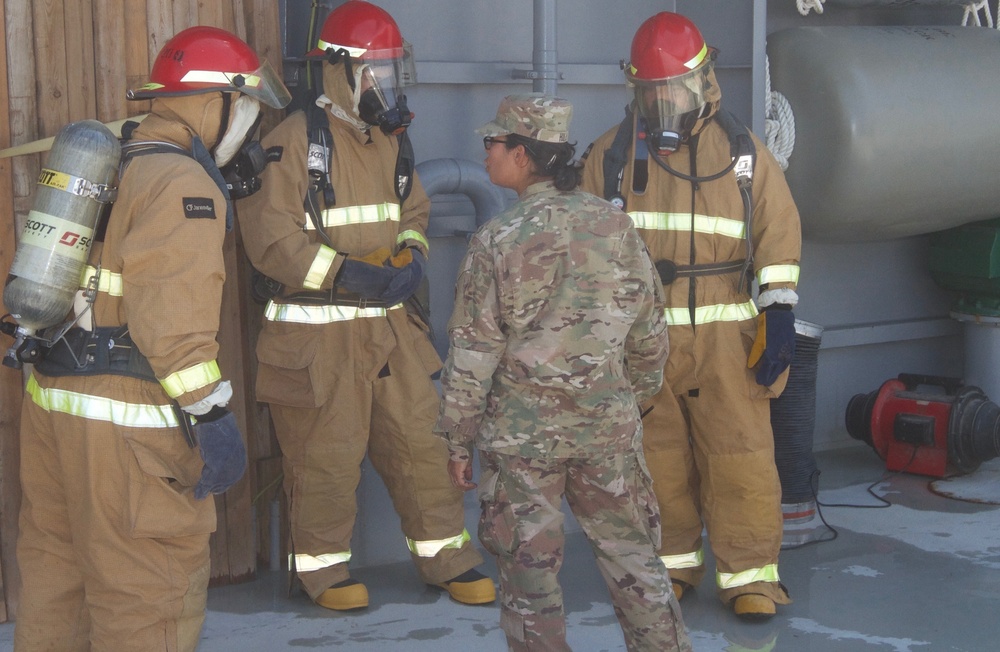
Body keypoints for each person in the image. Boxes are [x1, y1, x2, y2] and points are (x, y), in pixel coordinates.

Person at [11, 26, 291, 651]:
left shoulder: (113, 159)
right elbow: (174, 324)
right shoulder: (181, 182)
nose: (249, 126)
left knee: (58, 582)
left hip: (54, 404)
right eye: (245, 107)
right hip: (131, 426)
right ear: (213, 103)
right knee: (148, 595)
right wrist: (212, 413)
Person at [236, 0, 494, 611]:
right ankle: (322, 574)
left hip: (391, 335)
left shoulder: (390, 142)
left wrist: (411, 257)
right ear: (339, 73)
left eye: (392, 72)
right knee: (324, 462)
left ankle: (448, 560)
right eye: (374, 72)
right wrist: (348, 274)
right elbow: (272, 241)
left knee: (421, 449)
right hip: (318, 343)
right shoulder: (291, 142)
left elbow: (415, 212)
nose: (385, 86)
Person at [436, 93, 693, 652]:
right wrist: (628, 400)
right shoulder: (616, 227)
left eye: (493, 144)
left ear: (523, 155)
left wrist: (458, 441)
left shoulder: (497, 240)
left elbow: (472, 353)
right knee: (638, 568)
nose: (485, 155)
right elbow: (650, 331)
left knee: (530, 581)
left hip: (523, 442)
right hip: (607, 431)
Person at [580, 12, 802, 620]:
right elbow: (588, 252)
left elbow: (778, 238)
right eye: (651, 90)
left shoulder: (744, 155)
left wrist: (778, 314)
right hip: (641, 342)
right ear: (636, 89)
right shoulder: (609, 158)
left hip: (725, 338)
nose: (663, 101)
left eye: (673, 88)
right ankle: (670, 568)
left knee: (741, 455)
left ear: (702, 83)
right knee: (656, 459)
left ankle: (751, 576)